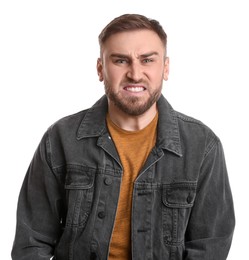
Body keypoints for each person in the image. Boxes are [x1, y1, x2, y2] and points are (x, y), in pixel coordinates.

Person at [11, 13, 235, 260]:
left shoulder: (202, 146)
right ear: (100, 69)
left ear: (166, 67)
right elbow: (31, 244)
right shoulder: (61, 139)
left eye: (147, 60)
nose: (135, 74)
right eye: (120, 61)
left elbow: (209, 248)